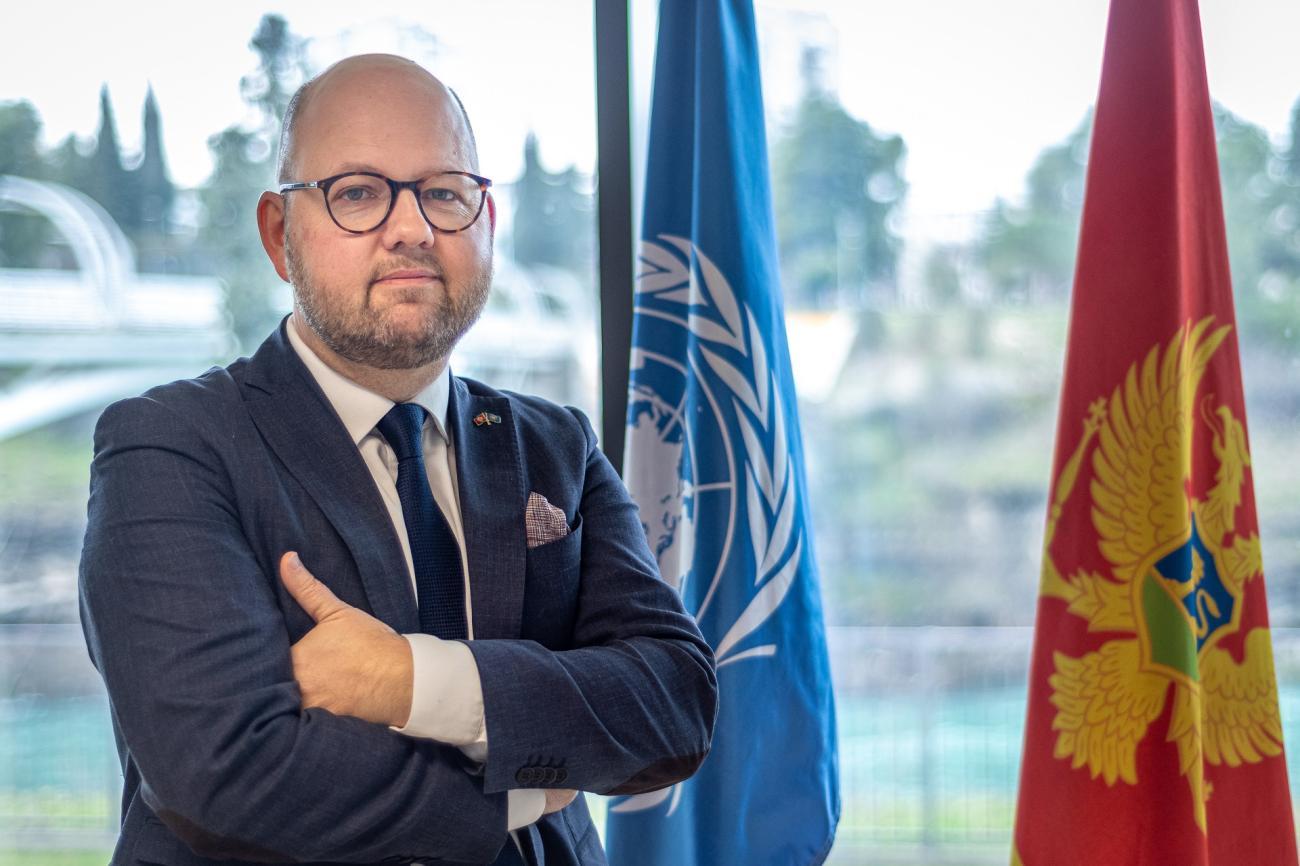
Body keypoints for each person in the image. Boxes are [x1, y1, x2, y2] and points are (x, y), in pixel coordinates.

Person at [78, 53, 717, 866]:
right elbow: (228, 773)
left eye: (444, 192)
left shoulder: (557, 446)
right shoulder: (168, 447)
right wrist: (527, 785)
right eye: (357, 193)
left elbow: (676, 703)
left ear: (485, 223)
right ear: (281, 235)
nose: (411, 227)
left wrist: (411, 682)